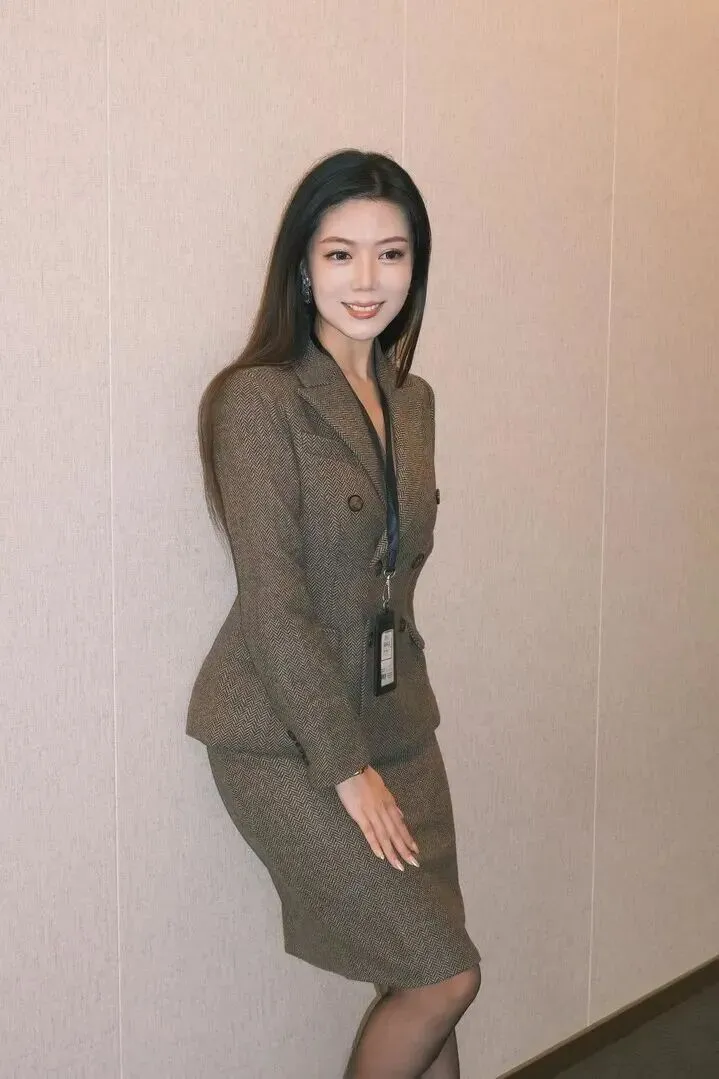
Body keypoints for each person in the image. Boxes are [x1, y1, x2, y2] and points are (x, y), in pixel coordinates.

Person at [187, 148, 481, 1078]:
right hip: (285, 733)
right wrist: (347, 768)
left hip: (397, 726)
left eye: (390, 254)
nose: (366, 279)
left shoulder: (413, 400)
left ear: (414, 268)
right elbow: (273, 601)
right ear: (302, 267)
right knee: (444, 977)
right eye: (339, 253)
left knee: (428, 975)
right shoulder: (256, 399)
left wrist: (380, 748)